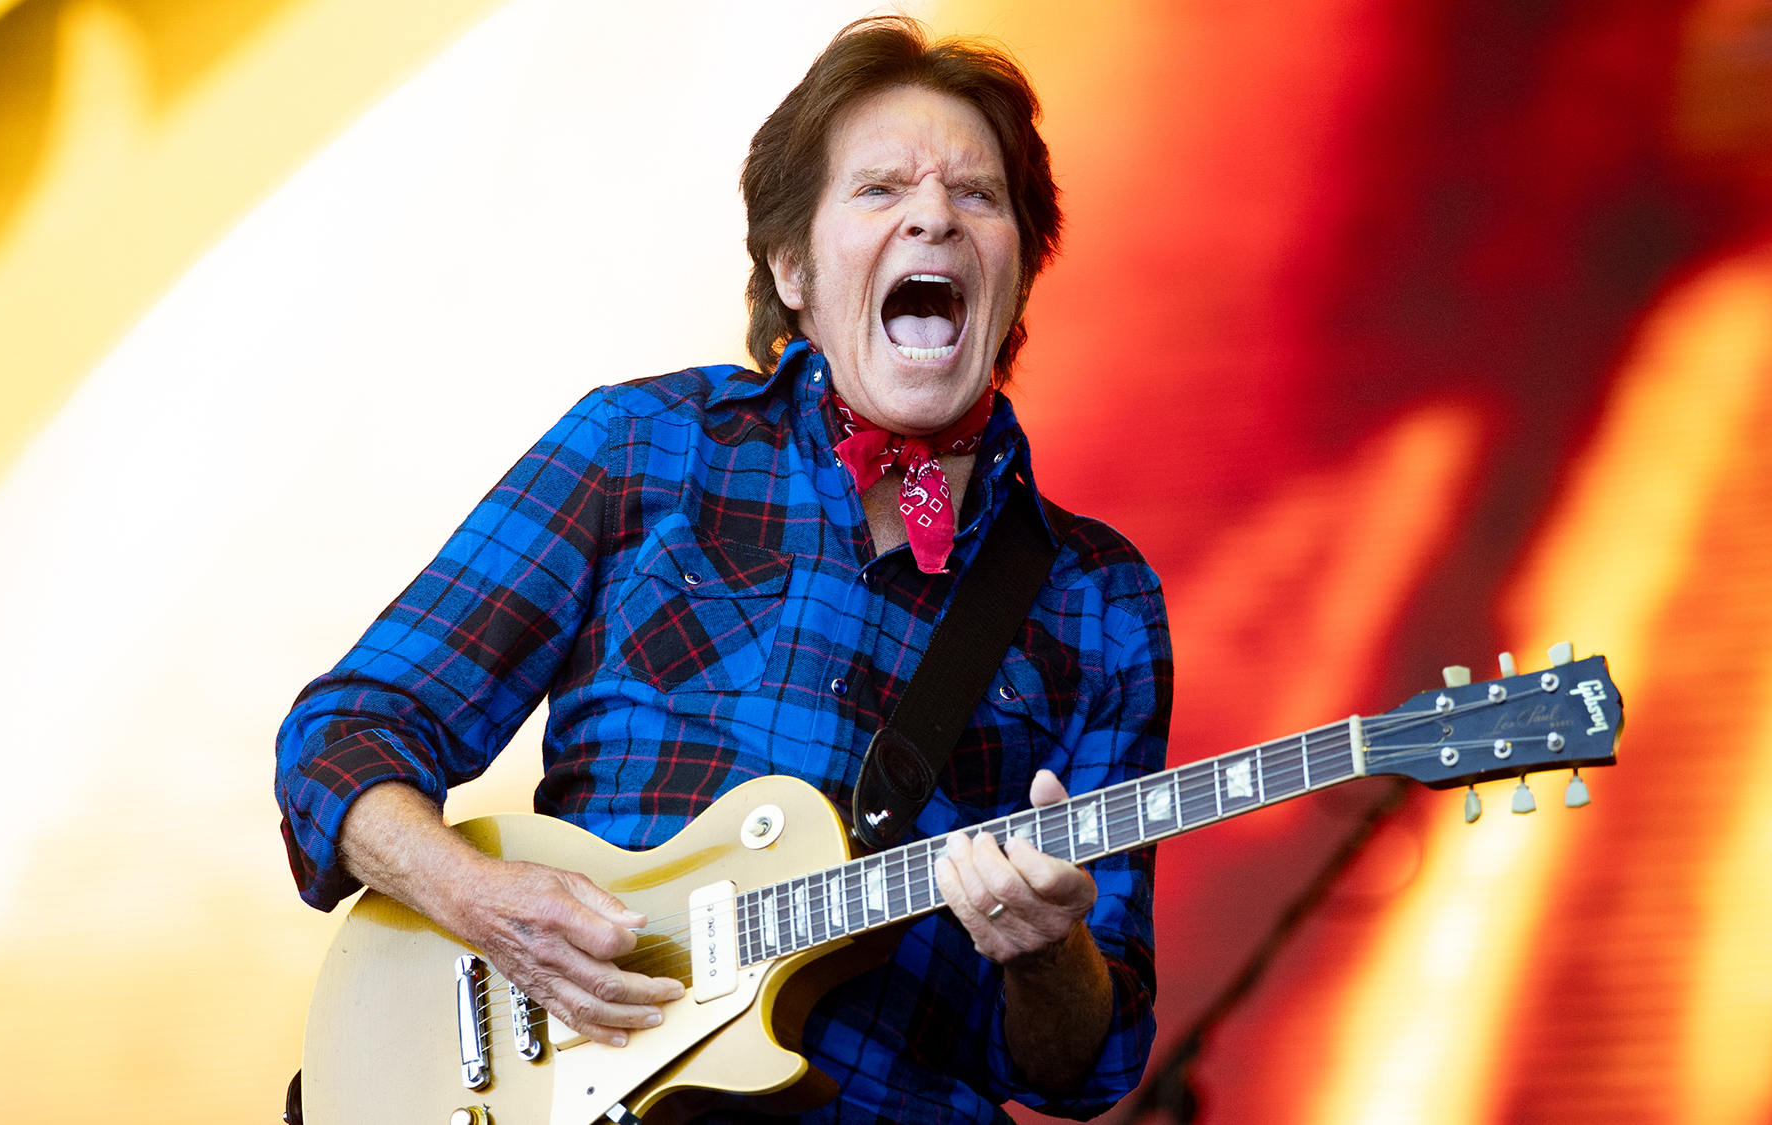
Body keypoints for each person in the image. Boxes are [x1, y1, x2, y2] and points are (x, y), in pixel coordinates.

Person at [275, 16, 1171, 1122]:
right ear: (791, 268)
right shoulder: (644, 444)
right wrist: (478, 897)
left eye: (977, 197)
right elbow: (342, 739)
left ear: (1018, 277)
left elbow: (1083, 1064)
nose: (933, 214)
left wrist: (1046, 953)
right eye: (882, 187)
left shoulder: (1098, 601)